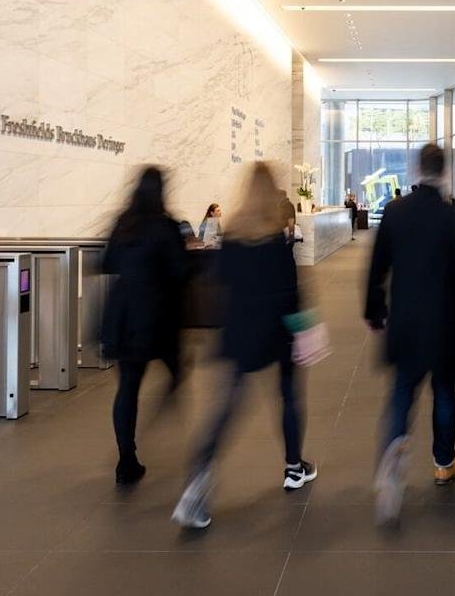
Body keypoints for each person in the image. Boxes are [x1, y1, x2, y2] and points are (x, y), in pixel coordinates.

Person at [172, 162, 316, 529]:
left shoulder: (232, 238)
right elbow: (291, 293)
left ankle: (199, 478)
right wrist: (303, 331)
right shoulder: (275, 240)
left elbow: (219, 281)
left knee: (225, 409)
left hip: (239, 333)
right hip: (277, 333)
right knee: (288, 396)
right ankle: (293, 466)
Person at [365, 144, 455, 525]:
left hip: (405, 323)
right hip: (445, 325)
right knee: (444, 392)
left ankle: (393, 454)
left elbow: (377, 268)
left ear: (417, 171)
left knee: (402, 391)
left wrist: (374, 311)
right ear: (444, 173)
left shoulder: (395, 213)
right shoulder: (454, 219)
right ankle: (443, 462)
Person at [101, 166, 188, 486]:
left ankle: (126, 459)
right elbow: (179, 271)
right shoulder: (165, 227)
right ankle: (167, 409)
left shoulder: (123, 222)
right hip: (155, 315)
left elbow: (106, 263)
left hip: (123, 316)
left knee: (127, 388)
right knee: (177, 369)